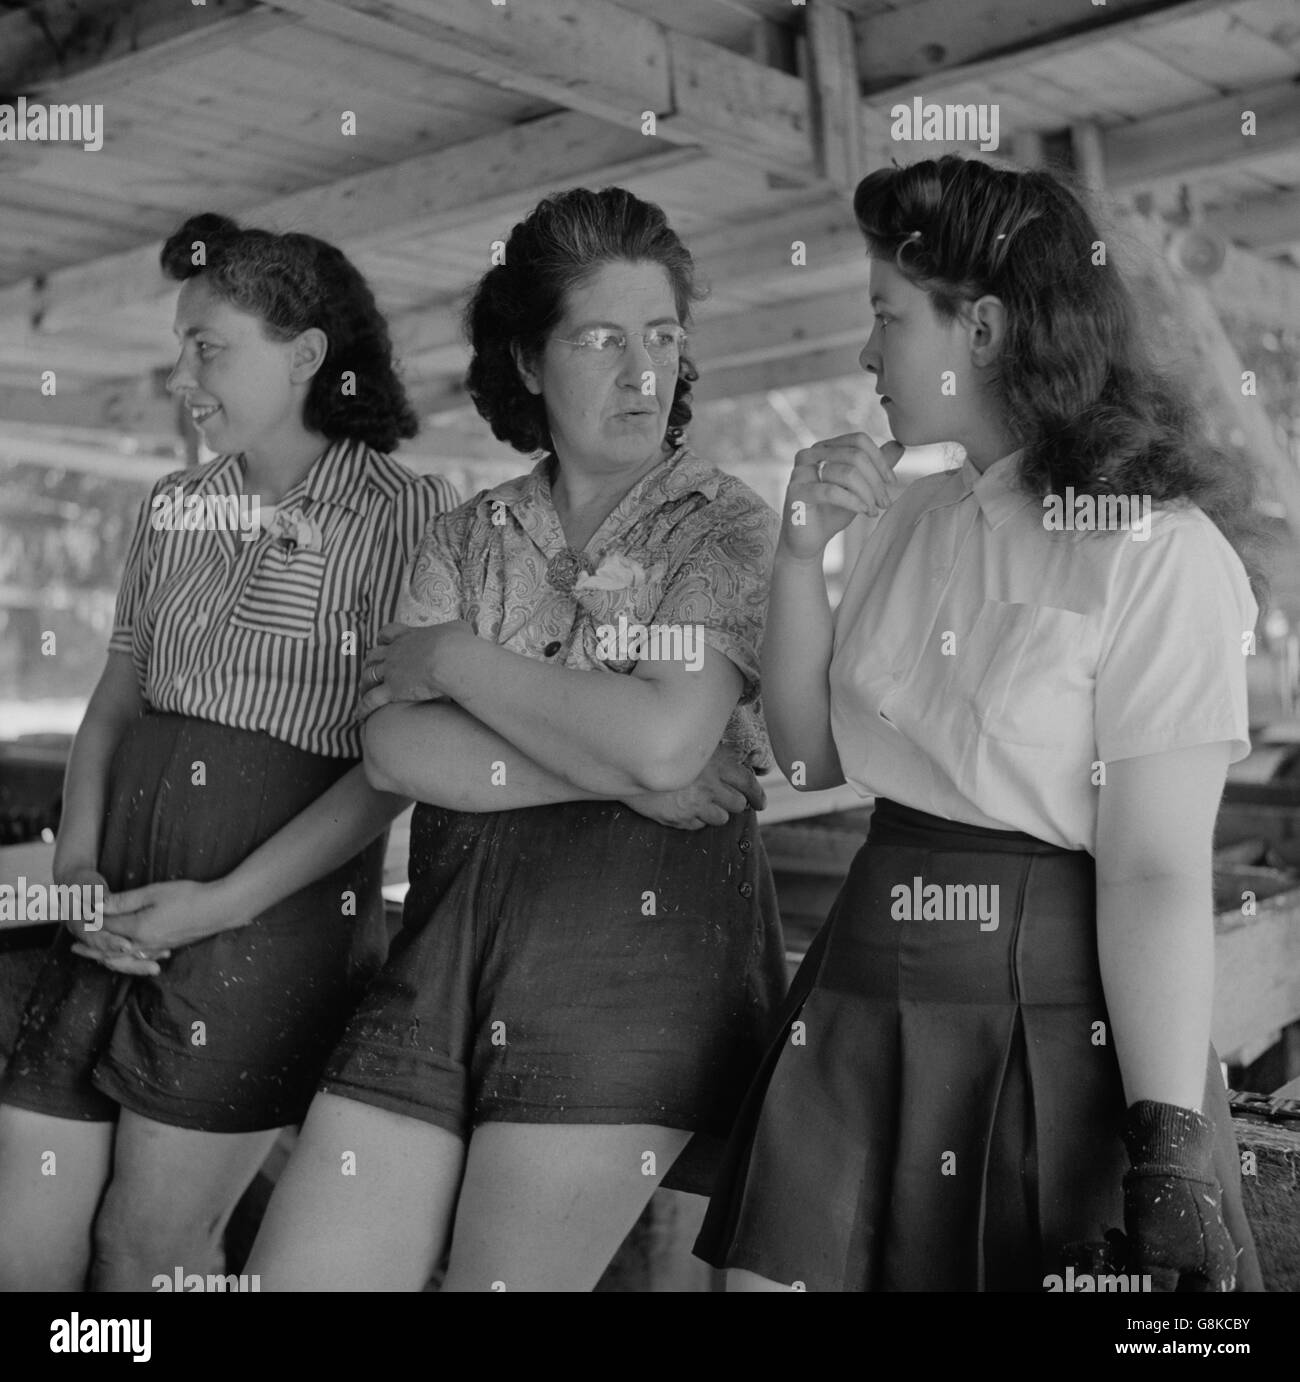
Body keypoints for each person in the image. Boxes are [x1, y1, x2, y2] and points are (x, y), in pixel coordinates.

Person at [695, 155, 1266, 1292]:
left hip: (1047, 1009)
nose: (865, 353)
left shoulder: (1158, 552)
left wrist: (1166, 1147)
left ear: (987, 329)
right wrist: (803, 557)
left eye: (886, 318)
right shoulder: (913, 510)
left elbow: (1151, 867)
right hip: (862, 972)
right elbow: (812, 755)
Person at [246, 186, 788, 1292]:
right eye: (600, 339)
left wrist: (456, 662)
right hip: (444, 952)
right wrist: (633, 766)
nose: (644, 372)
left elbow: (661, 740)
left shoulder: (722, 523)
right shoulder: (467, 530)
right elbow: (397, 753)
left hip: (633, 966)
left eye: (663, 336)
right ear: (530, 362)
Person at [0, 212, 457, 1291]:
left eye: (209, 347)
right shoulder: (173, 507)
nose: (181, 377)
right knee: (27, 1229)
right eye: (179, 350)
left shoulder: (407, 515)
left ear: (305, 356)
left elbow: (389, 768)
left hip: (267, 932)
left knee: (145, 1254)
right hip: (108, 912)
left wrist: (217, 904)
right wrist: (76, 869)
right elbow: (113, 702)